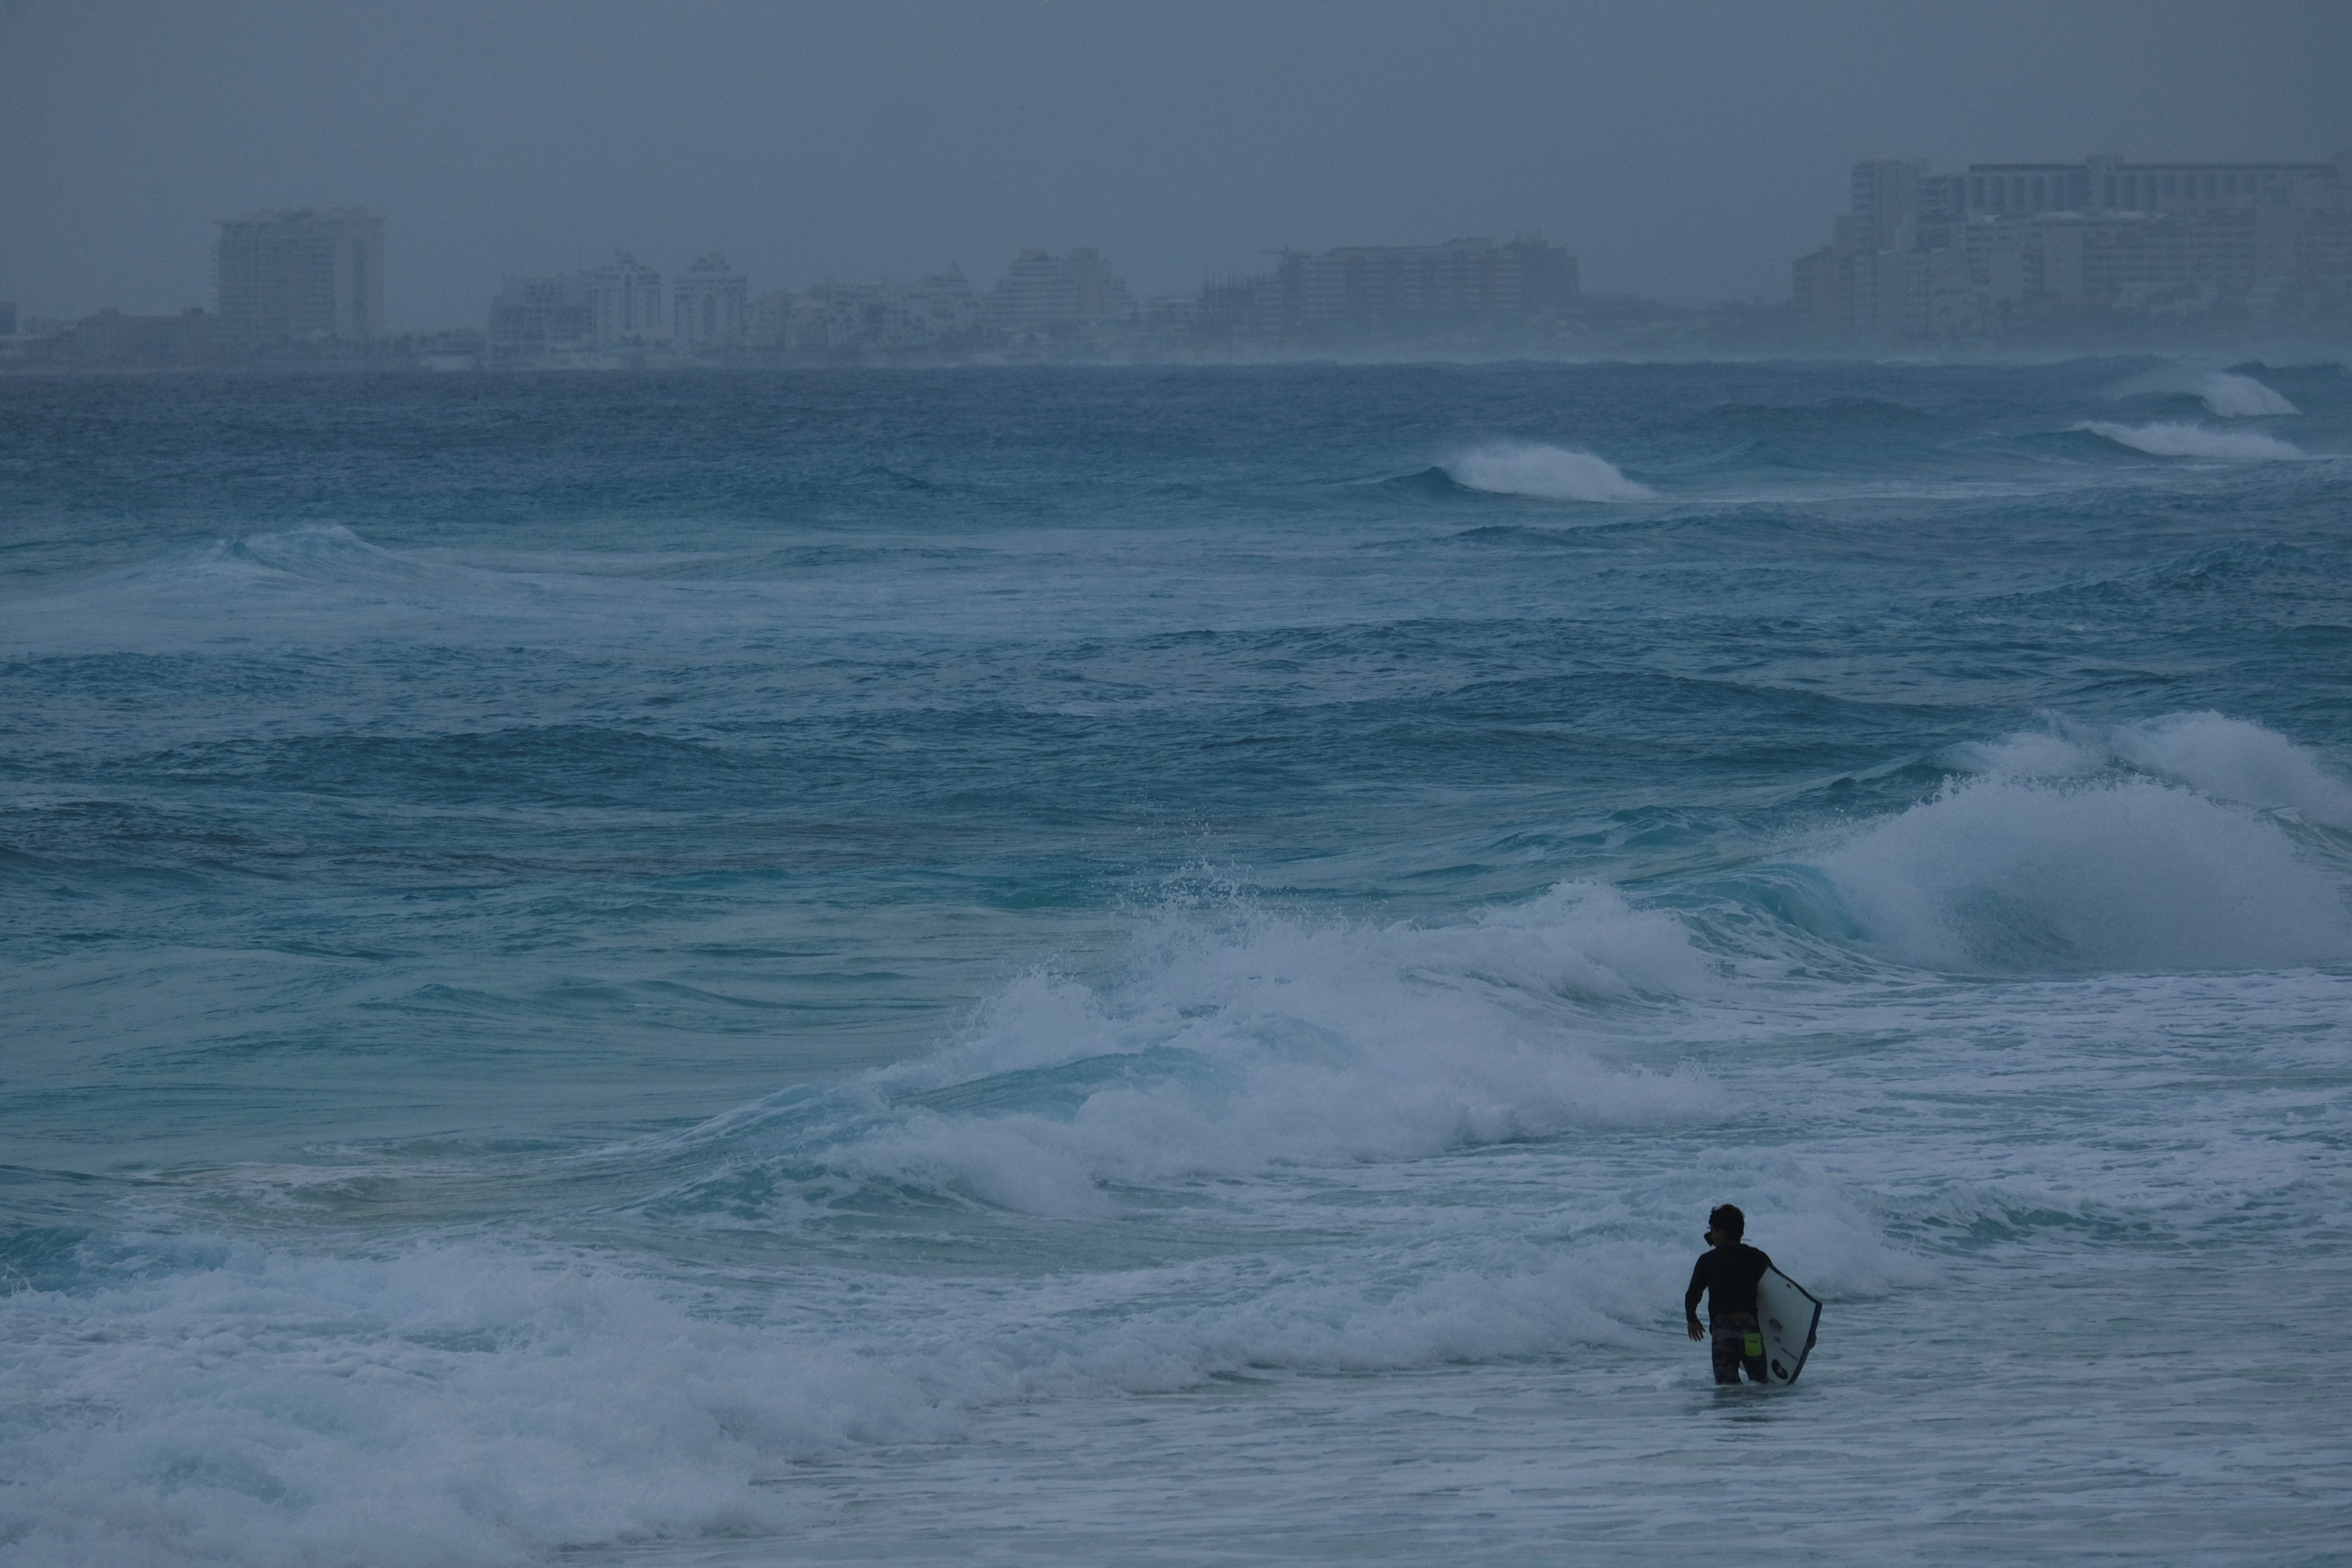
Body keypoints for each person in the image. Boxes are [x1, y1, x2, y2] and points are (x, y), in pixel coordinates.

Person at [1685, 1203, 1772, 1385]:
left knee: (1727, 1387)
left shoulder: (1708, 1261)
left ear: (1721, 1232)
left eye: (1713, 1230)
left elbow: (1693, 1293)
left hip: (1723, 1333)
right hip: (1750, 1331)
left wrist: (1692, 1318)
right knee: (1760, 1383)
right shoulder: (1756, 1257)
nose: (1711, 1236)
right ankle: (1759, 1414)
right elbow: (1777, 1292)